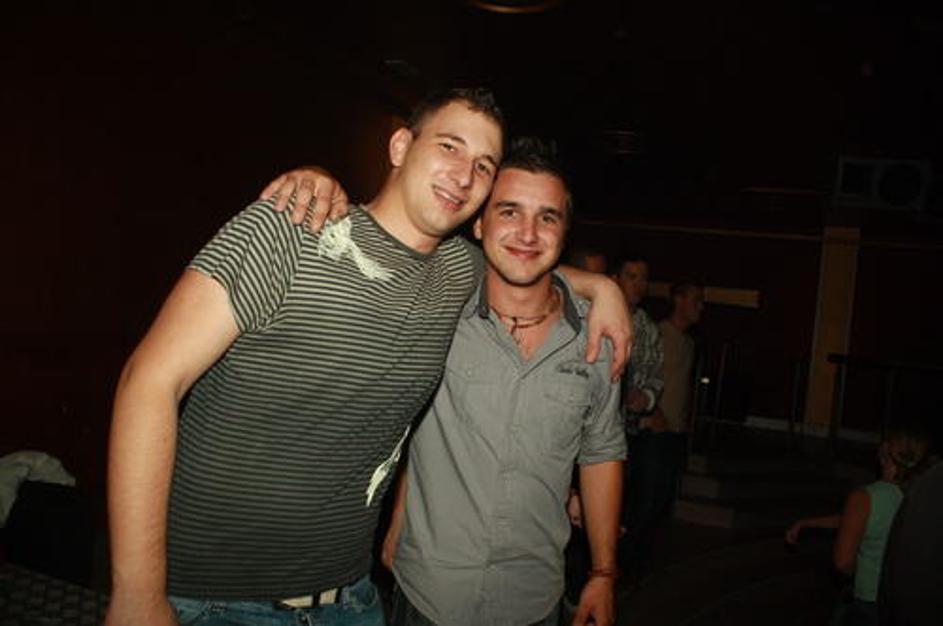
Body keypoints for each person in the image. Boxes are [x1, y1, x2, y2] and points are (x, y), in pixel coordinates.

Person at [105, 88, 631, 626]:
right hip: (218, 599)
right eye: (449, 146)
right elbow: (149, 382)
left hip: (352, 599)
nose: (463, 175)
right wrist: (137, 593)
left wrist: (602, 287)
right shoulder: (289, 229)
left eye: (483, 165)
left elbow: (522, 262)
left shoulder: (457, 273)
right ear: (400, 146)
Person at [380, 137, 624, 626]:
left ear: (564, 232)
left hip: (532, 599)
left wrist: (602, 572)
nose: (528, 233)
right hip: (429, 591)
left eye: (547, 218)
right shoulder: (441, 308)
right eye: (509, 211)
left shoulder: (598, 338)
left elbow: (601, 452)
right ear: (478, 222)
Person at [786, 428, 930, 626]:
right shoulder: (918, 495)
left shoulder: (864, 498)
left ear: (885, 452)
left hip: (868, 600)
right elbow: (859, 520)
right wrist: (807, 523)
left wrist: (859, 576)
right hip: (902, 600)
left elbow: (843, 561)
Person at [612, 256, 666, 581]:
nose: (638, 283)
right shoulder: (597, 314)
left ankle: (621, 570)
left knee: (633, 507)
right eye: (631, 276)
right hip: (595, 436)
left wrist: (645, 398)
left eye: (643, 278)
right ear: (615, 279)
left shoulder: (648, 328)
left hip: (631, 435)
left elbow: (657, 377)